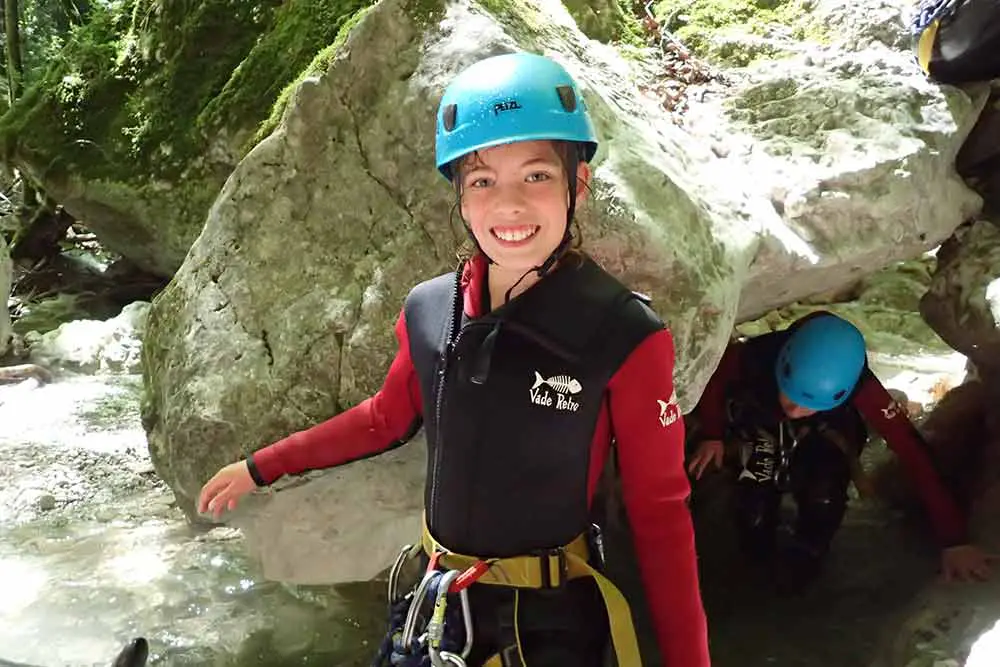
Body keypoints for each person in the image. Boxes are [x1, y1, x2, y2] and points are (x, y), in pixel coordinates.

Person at [197, 52, 710, 667]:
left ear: (578, 184)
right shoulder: (430, 309)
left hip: (549, 625)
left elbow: (660, 514)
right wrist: (260, 467)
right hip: (437, 603)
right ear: (462, 198)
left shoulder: (623, 333)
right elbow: (383, 419)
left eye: (538, 177)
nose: (509, 205)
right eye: (483, 180)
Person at [686, 310, 995, 592]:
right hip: (760, 421)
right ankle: (755, 557)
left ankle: (805, 559)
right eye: (790, 396)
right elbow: (713, 380)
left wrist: (955, 540)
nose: (794, 409)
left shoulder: (863, 387)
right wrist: (712, 435)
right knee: (755, 505)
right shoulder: (753, 355)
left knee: (824, 494)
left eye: (808, 404)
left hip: (828, 432)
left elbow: (913, 453)